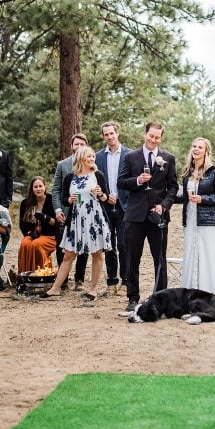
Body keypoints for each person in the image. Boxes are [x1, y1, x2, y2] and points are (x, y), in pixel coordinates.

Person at [117, 121, 178, 312]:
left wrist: (164, 205)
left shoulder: (168, 158)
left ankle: (161, 298)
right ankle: (133, 297)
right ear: (145, 134)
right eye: (151, 136)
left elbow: (173, 187)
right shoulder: (130, 157)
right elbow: (121, 182)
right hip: (134, 216)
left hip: (157, 217)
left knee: (159, 258)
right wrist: (137, 180)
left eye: (157, 137)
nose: (153, 140)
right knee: (131, 258)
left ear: (161, 138)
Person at [43, 146, 111, 301]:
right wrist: (69, 200)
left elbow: (105, 199)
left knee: (96, 253)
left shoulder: (98, 175)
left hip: (95, 219)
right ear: (81, 158)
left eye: (93, 156)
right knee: (68, 255)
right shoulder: (70, 177)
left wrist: (100, 194)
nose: (92, 158)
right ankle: (55, 289)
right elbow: (63, 200)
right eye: (89, 156)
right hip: (76, 220)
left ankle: (93, 290)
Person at [174, 138, 215, 298]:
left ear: (206, 151)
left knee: (207, 255)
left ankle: (210, 295)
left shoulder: (213, 172)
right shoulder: (187, 172)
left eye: (200, 147)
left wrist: (203, 199)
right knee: (191, 254)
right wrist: (165, 197)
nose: (196, 149)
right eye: (194, 146)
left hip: (208, 222)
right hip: (190, 221)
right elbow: (184, 197)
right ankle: (190, 294)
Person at [95, 121, 132, 295]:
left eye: (112, 133)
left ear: (117, 133)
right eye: (106, 134)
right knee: (108, 245)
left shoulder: (130, 155)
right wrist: (104, 195)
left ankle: (125, 281)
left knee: (124, 245)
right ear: (103, 136)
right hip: (105, 206)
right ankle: (111, 282)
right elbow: (93, 181)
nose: (109, 137)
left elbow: (134, 181)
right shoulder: (98, 157)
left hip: (125, 206)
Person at [52, 132, 90, 290]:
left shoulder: (90, 164)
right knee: (63, 247)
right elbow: (55, 190)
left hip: (85, 213)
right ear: (72, 146)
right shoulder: (63, 165)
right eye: (76, 144)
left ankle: (79, 279)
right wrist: (58, 209)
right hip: (66, 212)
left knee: (84, 247)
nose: (79, 147)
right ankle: (63, 280)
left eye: (82, 144)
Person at [18, 176, 56, 273]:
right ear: (32, 189)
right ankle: (24, 275)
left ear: (45, 187)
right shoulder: (26, 203)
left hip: (50, 235)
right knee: (25, 244)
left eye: (40, 186)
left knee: (36, 245)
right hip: (32, 234)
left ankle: (41, 274)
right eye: (35, 187)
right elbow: (22, 224)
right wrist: (29, 233)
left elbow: (56, 223)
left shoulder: (52, 200)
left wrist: (44, 217)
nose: (38, 189)